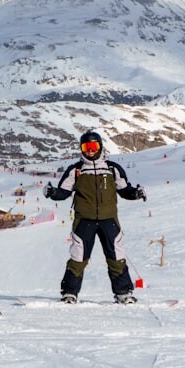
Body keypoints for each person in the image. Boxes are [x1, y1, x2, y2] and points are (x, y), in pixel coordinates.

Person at [43, 130, 147, 305]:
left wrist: (136, 193)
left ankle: (123, 293)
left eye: (93, 146)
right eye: (86, 147)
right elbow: (63, 192)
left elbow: (124, 190)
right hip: (84, 220)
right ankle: (69, 293)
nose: (90, 150)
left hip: (109, 220)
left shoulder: (112, 169)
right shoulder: (76, 170)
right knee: (78, 257)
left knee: (116, 256)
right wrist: (52, 192)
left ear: (100, 147)